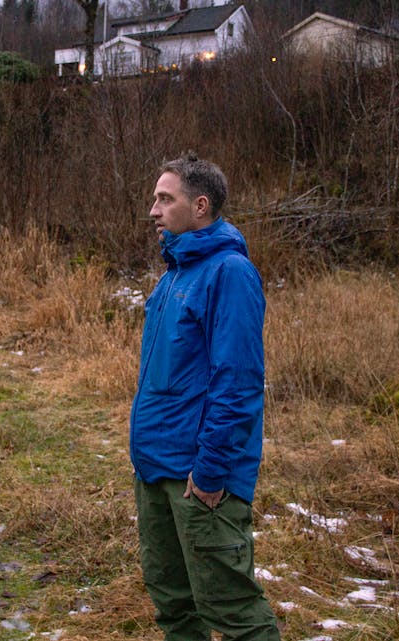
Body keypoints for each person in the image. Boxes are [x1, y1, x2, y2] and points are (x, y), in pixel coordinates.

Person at [130, 152, 280, 640]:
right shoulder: (176, 272)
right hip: (157, 468)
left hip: (200, 478)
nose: (153, 210)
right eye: (154, 198)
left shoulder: (228, 273)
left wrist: (212, 470)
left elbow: (237, 383)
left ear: (200, 206)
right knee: (174, 606)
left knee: (232, 612)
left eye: (164, 199)